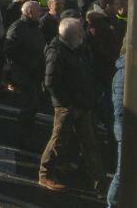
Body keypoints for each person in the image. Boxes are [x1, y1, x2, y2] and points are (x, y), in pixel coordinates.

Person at [39, 18, 104, 192]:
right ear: (72, 35)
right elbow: (51, 83)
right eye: (80, 32)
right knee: (58, 141)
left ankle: (98, 180)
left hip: (81, 103)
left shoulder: (77, 49)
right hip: (68, 106)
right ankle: (45, 175)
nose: (83, 34)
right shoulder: (57, 52)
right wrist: (67, 103)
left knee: (90, 143)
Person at [5, 1, 46, 137]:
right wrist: (27, 63)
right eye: (38, 11)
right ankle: (22, 135)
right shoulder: (17, 27)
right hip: (24, 73)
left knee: (33, 104)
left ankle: (27, 130)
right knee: (29, 104)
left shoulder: (35, 27)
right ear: (29, 12)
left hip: (35, 72)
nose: (40, 13)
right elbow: (9, 50)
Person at [107, 51, 126, 207]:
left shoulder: (122, 73)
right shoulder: (125, 75)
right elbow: (120, 110)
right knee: (121, 172)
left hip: (122, 127)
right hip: (124, 129)